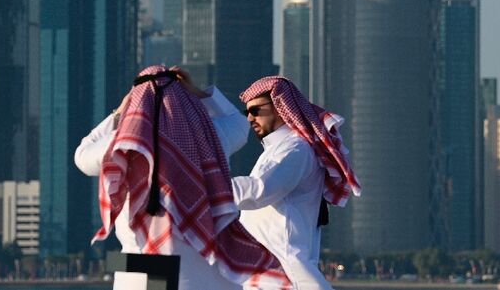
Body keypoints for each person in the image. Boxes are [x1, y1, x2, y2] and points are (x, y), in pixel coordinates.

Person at [74, 65, 292, 290]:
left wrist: (119, 112)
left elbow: (82, 156)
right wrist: (197, 92)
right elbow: (238, 124)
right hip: (202, 263)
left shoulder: (121, 142)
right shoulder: (211, 134)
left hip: (138, 264)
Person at [233, 76, 361, 290]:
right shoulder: (277, 150)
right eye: (247, 112)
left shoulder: (295, 150)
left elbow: (258, 191)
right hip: (264, 276)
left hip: (286, 276)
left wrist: (207, 187)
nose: (249, 118)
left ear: (279, 107)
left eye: (255, 111)